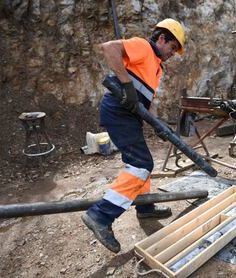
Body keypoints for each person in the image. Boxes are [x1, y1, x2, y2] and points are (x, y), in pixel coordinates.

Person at [81, 18, 185, 253]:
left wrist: (158, 124)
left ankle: (144, 206)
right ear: (161, 38)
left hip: (129, 116)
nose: (173, 53)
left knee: (141, 161)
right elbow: (110, 48)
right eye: (172, 47)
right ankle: (100, 216)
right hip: (118, 112)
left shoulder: (156, 67)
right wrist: (126, 85)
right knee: (141, 163)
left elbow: (147, 100)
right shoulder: (143, 47)